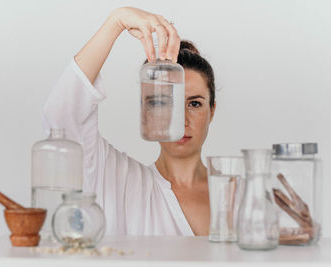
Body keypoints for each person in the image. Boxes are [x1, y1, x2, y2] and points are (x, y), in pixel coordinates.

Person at [43, 7, 216, 236]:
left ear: (212, 111)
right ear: (146, 111)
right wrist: (116, 22)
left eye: (194, 104)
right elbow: (62, 117)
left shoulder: (241, 193)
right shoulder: (120, 181)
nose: (180, 120)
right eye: (163, 103)